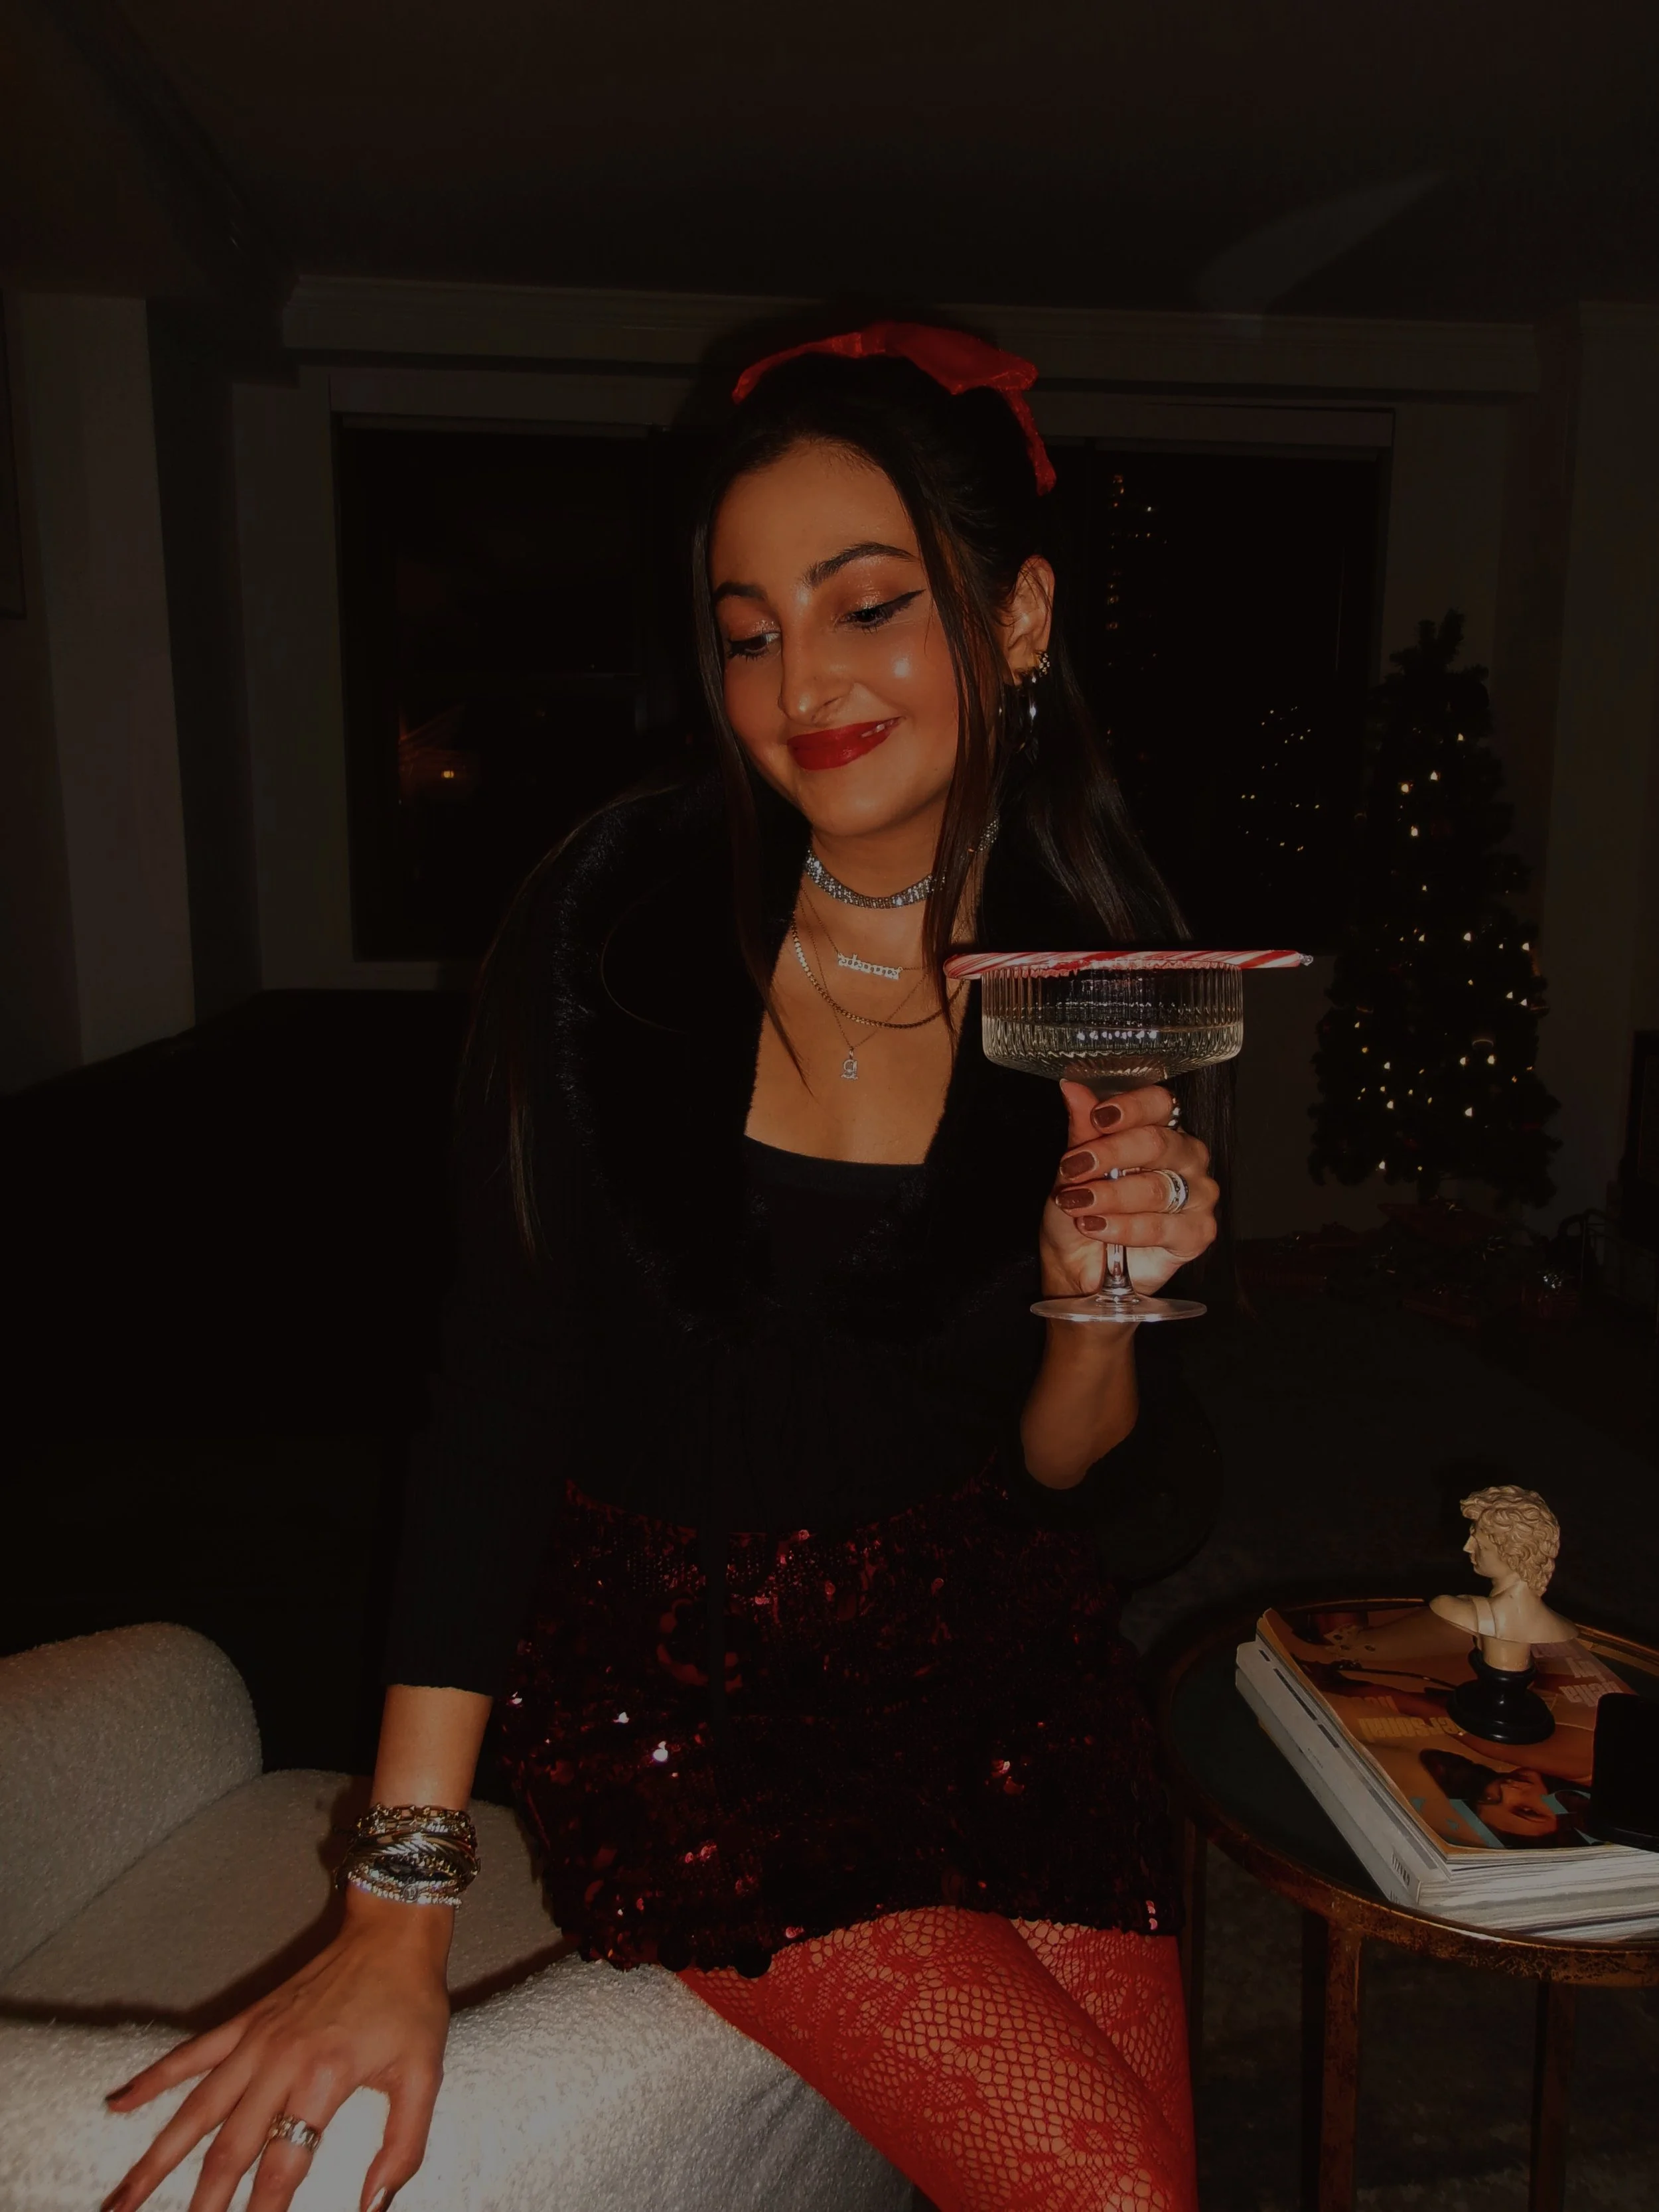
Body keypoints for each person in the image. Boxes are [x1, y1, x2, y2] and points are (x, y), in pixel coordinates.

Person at [102, 323, 1226, 2212]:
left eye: (868, 606)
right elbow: (496, 1392)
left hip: (999, 1659)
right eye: (748, 630)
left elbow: (1065, 1466)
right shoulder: (614, 921)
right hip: (689, 1699)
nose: (803, 684)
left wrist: (1095, 1297)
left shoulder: (1099, 979)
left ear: (1020, 617)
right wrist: (396, 1899)